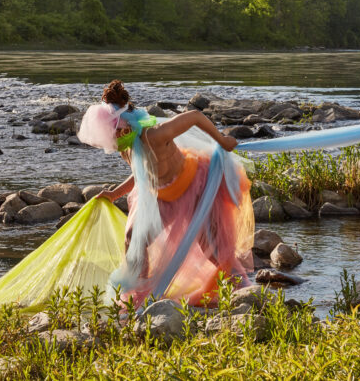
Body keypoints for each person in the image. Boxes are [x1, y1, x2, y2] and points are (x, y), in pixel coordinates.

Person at [78, 80, 254, 306]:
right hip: (161, 195)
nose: (116, 139)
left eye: (118, 132)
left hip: (193, 186)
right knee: (134, 238)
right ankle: (138, 296)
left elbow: (194, 116)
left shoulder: (156, 135)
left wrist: (222, 139)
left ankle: (243, 290)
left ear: (128, 125)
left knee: (210, 245)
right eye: (112, 136)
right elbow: (142, 174)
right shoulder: (127, 147)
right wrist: (114, 194)